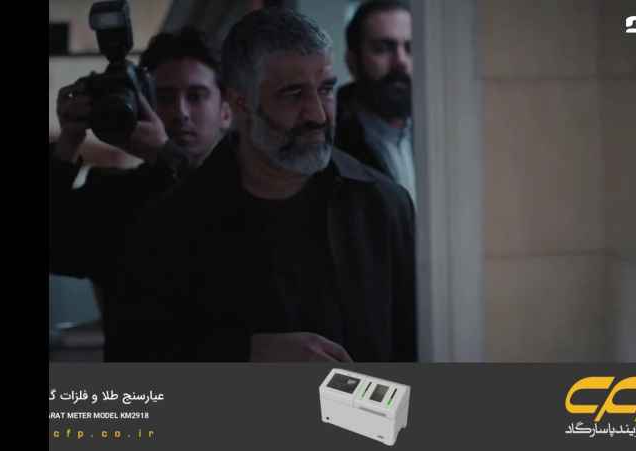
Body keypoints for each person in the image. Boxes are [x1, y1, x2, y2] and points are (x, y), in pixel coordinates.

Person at [105, 7, 417, 363]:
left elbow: (416, 351)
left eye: (326, 89)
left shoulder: (383, 206)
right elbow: (132, 363)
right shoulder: (167, 226)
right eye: (293, 94)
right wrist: (246, 355)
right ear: (240, 104)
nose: (317, 114)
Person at [49, 27, 232, 290]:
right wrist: (66, 146)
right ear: (144, 103)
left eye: (196, 96)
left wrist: (164, 154)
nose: (181, 112)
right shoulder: (115, 197)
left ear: (226, 112)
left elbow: (233, 228)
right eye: (165, 97)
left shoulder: (255, 185)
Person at [335, 0, 416, 204]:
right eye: (382, 48)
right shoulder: (329, 141)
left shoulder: (444, 130)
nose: (401, 61)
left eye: (410, 48)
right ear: (352, 62)